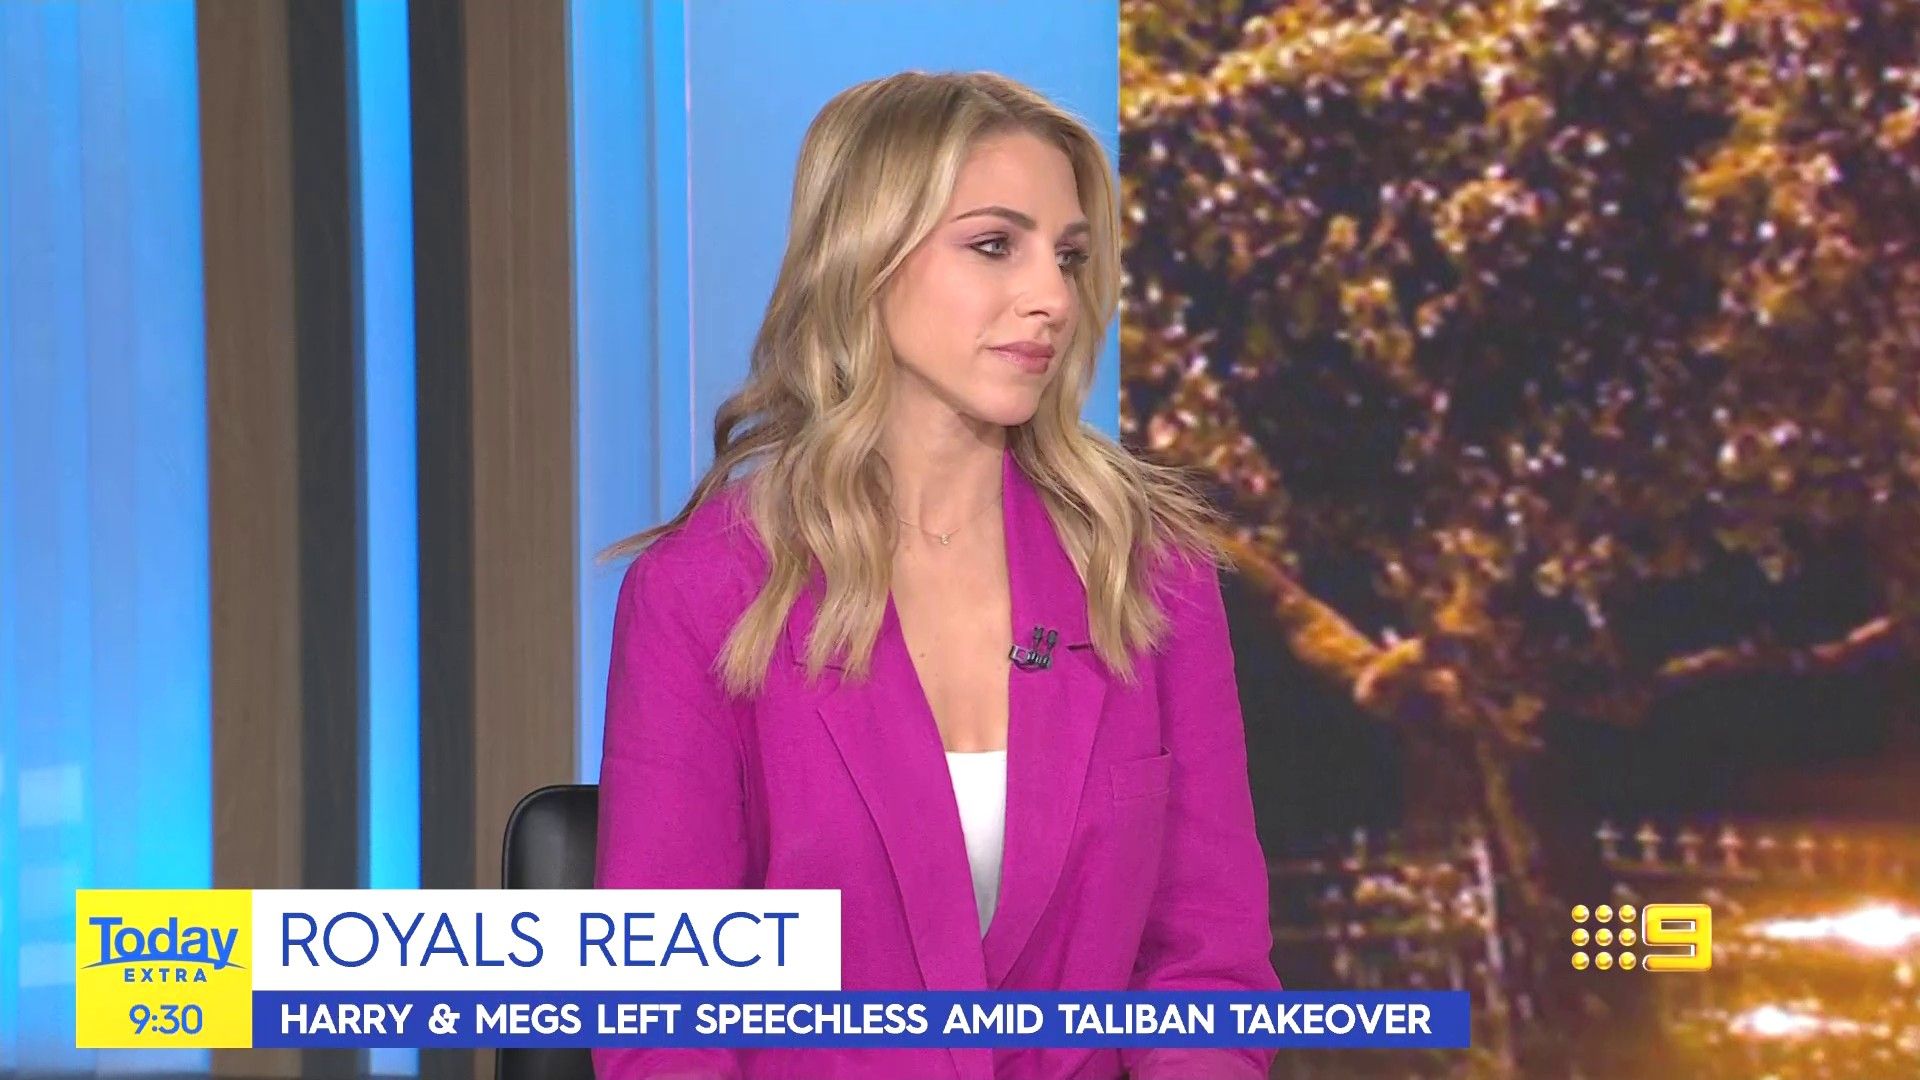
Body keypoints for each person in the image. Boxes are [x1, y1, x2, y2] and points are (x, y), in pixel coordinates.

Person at [594, 69, 1280, 1080]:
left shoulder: (1151, 576)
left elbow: (1207, 974)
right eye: (995, 245)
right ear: (866, 258)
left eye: (1069, 257)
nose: (1052, 298)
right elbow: (668, 1021)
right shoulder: (703, 595)